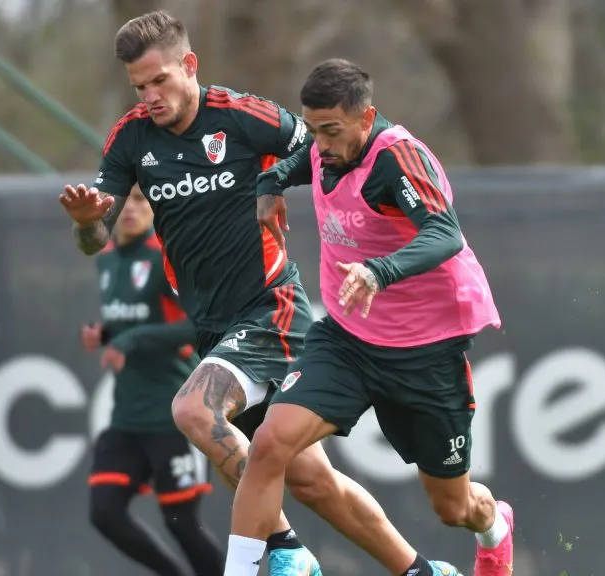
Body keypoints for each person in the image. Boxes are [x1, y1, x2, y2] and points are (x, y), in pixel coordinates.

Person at [59, 11, 460, 576]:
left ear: (189, 65)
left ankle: (285, 550)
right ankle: (420, 570)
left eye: (160, 81)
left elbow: (332, 144)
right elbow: (95, 235)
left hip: (272, 306)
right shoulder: (131, 138)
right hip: (212, 326)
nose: (150, 96)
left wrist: (277, 182)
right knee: (310, 479)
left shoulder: (242, 116)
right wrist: (84, 223)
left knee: (194, 411)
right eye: (140, 86)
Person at [228, 58, 515, 576]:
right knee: (270, 442)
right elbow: (297, 164)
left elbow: (445, 234)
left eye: (331, 131)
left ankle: (495, 527)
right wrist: (268, 185)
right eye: (312, 130)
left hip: (423, 355)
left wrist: (381, 271)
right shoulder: (323, 147)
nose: (320, 144)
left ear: (367, 117)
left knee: (453, 508)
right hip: (346, 341)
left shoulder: (397, 160)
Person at [82, 184, 223, 576]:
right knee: (104, 512)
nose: (131, 209)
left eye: (142, 200)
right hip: (127, 416)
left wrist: (130, 338)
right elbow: (134, 320)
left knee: (182, 523)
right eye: (123, 201)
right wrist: (106, 334)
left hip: (172, 414)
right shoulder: (107, 259)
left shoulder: (167, 257)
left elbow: (200, 327)